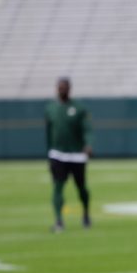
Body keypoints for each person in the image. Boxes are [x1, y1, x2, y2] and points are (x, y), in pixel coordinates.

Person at [45, 77, 92, 232]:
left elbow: (87, 129)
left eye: (64, 87)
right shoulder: (50, 108)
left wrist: (87, 145)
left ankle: (85, 213)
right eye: (59, 87)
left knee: (81, 188)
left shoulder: (78, 108)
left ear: (69, 89)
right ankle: (59, 220)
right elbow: (48, 132)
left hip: (76, 155)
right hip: (57, 154)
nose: (62, 90)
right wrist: (49, 153)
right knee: (58, 187)